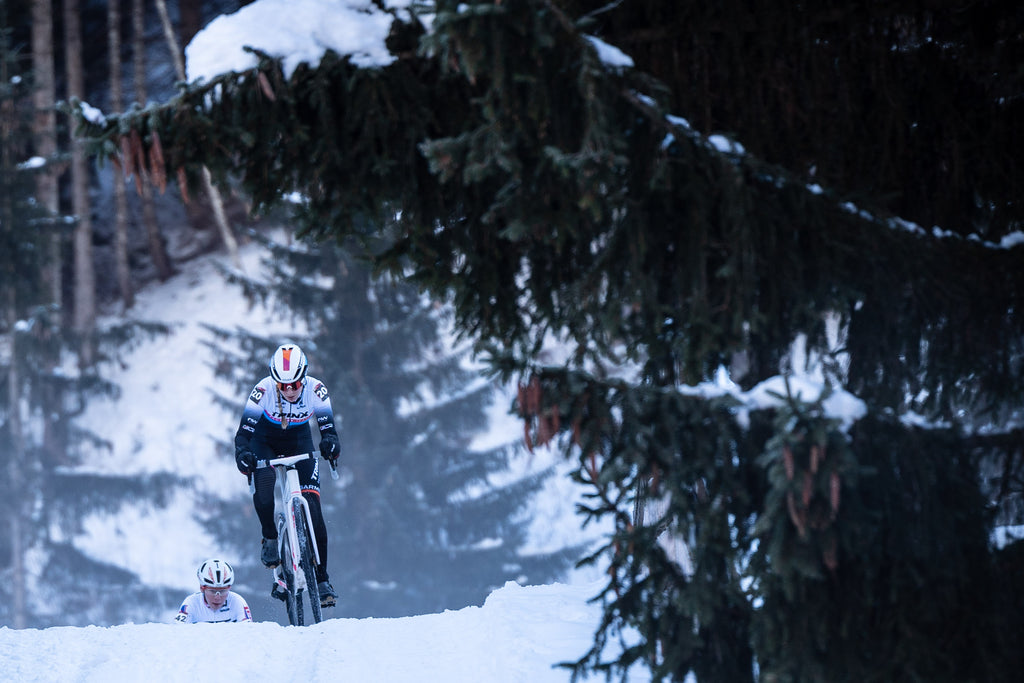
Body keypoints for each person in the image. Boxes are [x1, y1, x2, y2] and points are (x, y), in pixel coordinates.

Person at [233, 342, 341, 608]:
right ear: (274, 382)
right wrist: (243, 455)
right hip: (264, 441)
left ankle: (322, 577)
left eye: (295, 384)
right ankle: (270, 535)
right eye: (283, 385)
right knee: (265, 487)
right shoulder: (262, 391)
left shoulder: (317, 390)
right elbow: (243, 437)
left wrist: (330, 444)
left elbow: (329, 431)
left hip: (299, 441)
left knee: (313, 506)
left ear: (304, 377)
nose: (290, 390)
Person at [175, 558, 252, 623]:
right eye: (212, 591)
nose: (217, 597)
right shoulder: (191, 603)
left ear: (229, 588)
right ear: (202, 588)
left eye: (222, 591)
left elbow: (248, 633)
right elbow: (178, 632)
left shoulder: (237, 601)